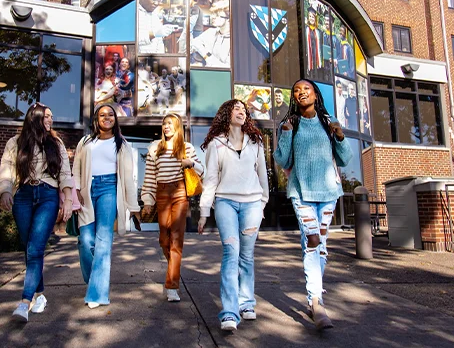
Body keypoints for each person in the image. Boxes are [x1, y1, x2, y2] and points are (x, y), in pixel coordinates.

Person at [273, 79, 352, 330]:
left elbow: (346, 159)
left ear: (315, 95)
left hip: (328, 193)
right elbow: (281, 159)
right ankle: (317, 302)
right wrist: (285, 134)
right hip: (301, 193)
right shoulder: (291, 124)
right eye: (296, 90)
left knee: (322, 246)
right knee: (313, 241)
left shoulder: (329, 123)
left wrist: (340, 136)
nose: (300, 93)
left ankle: (313, 299)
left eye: (305, 89)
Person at [0, 103, 75, 322]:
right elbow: (7, 168)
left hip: (48, 196)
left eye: (52, 116)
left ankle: (24, 302)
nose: (51, 120)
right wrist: (5, 190)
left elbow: (65, 174)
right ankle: (40, 295)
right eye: (47, 117)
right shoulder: (15, 142)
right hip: (22, 195)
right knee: (28, 246)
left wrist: (68, 201)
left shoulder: (56, 143)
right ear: (35, 118)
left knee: (35, 248)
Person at [198, 100, 269, 332]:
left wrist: (262, 204)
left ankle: (246, 302)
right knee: (231, 252)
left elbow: (262, 176)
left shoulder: (255, 142)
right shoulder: (216, 144)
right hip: (225, 202)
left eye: (244, 109)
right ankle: (229, 312)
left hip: (251, 205)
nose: (241, 111)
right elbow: (210, 179)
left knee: (246, 256)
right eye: (236, 108)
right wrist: (203, 211)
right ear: (227, 113)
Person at [72, 103, 141, 308]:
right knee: (85, 240)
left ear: (115, 119)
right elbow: (76, 170)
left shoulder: (122, 144)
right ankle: (94, 279)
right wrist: (75, 192)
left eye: (111, 114)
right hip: (87, 189)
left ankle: (97, 294)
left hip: (110, 189)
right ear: (97, 119)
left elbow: (128, 179)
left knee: (103, 241)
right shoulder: (85, 142)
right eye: (102, 115)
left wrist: (133, 207)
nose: (107, 118)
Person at [141, 114, 204, 302]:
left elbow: (202, 170)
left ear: (177, 126)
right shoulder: (155, 148)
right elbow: (150, 178)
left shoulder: (187, 148)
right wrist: (147, 201)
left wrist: (190, 163)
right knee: (164, 238)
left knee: (176, 238)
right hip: (161, 193)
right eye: (164, 124)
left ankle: (172, 285)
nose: (166, 127)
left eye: (170, 123)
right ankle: (173, 268)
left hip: (179, 192)